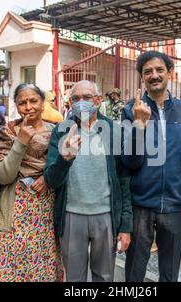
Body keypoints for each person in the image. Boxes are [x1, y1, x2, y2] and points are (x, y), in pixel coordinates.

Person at [121, 51, 181, 282]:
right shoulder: (131, 110)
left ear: (169, 73)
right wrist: (139, 124)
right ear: (142, 77)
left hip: (176, 205)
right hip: (141, 205)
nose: (154, 75)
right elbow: (129, 162)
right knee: (135, 269)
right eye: (148, 72)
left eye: (159, 70)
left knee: (169, 271)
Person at [44, 80, 132, 282]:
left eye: (87, 97)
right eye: (75, 98)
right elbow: (51, 179)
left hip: (106, 215)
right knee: (74, 277)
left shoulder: (113, 130)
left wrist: (125, 225)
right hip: (72, 215)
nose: (81, 102)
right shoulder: (61, 131)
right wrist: (64, 159)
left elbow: (124, 181)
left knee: (104, 275)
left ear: (99, 100)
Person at [0, 83, 63, 282]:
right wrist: (21, 142)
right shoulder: (9, 131)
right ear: (16, 105)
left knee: (44, 267)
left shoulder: (56, 132)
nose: (29, 107)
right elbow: (2, 175)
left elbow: (62, 168)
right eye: (22, 103)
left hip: (46, 210)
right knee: (14, 270)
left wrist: (47, 178)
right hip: (15, 211)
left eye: (33, 101)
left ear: (43, 104)